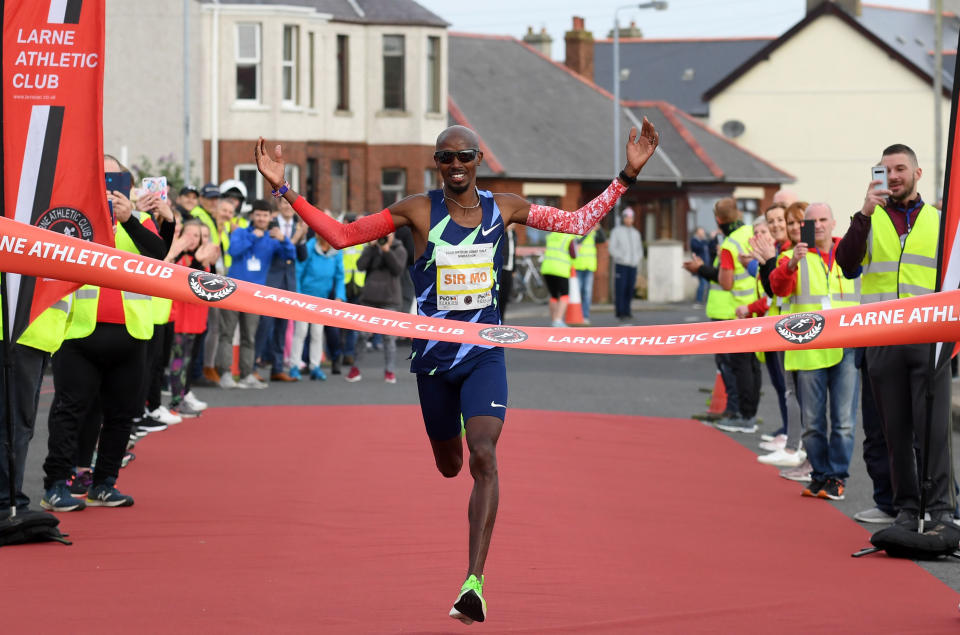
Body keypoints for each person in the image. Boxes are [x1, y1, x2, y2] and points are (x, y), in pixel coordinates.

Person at [255, 118, 660, 624]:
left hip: (485, 352)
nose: (454, 166)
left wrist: (627, 174)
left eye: (463, 156)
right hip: (433, 360)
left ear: (477, 161)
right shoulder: (417, 209)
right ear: (436, 163)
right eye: (444, 158)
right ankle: (456, 462)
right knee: (450, 465)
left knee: (484, 455)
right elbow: (341, 236)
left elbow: (576, 223)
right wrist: (285, 188)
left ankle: (473, 583)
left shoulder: (504, 207)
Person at [836, 144, 955, 528]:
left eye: (901, 168)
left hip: (928, 339)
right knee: (896, 433)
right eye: (886, 170)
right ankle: (905, 509)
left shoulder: (941, 221)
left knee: (934, 431)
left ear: (917, 174)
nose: (894, 176)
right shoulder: (868, 219)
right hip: (882, 339)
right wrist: (865, 213)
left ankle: (939, 511)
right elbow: (847, 264)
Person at [41, 154, 166, 511]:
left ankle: (104, 483)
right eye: (103, 181)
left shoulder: (140, 220)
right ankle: (56, 485)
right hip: (79, 333)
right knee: (69, 411)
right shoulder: (74, 220)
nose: (110, 189)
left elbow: (158, 256)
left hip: (131, 334)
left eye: (117, 182)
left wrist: (128, 220)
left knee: (121, 414)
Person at [770, 203, 860, 501]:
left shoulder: (849, 253)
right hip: (809, 347)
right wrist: (792, 264)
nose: (818, 225)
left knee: (844, 421)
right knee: (813, 422)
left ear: (833, 223)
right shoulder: (791, 256)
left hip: (846, 344)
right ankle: (819, 473)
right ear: (803, 226)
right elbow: (779, 289)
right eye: (812, 221)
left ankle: (836, 477)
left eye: (823, 219)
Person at [682, 198, 758, 432]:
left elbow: (726, 282)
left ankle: (738, 413)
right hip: (753, 308)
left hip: (729, 311)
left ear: (718, 220)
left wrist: (700, 269)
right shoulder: (750, 232)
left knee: (733, 366)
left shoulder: (729, 245)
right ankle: (748, 413)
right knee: (751, 366)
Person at [216, 199, 296, 390]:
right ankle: (225, 374)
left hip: (255, 295)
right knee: (227, 334)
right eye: (258, 215)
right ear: (252, 216)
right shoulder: (241, 232)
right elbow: (232, 250)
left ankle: (246, 374)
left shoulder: (272, 239)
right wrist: (253, 237)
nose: (261, 218)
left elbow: (290, 256)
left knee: (249, 336)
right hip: (233, 290)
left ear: (270, 217)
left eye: (265, 215)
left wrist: (284, 239)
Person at [256, 197, 308, 382]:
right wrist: (293, 239)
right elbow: (279, 251)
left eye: (290, 204)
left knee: (282, 327)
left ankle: (277, 368)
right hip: (271, 280)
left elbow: (301, 257)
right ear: (279, 206)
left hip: (289, 282)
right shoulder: (271, 224)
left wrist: (300, 239)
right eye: (285, 204)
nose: (288, 207)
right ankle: (254, 365)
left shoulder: (300, 227)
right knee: (264, 326)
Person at [346, 233, 407, 382]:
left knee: (388, 338)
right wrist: (371, 248)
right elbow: (360, 266)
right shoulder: (371, 248)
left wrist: (386, 251)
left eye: (388, 235)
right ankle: (355, 369)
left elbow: (398, 270)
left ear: (393, 235)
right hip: (369, 299)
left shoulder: (399, 249)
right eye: (383, 235)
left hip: (390, 300)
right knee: (362, 335)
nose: (385, 237)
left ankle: (390, 371)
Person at [290, 230, 346, 380]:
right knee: (301, 332)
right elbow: (298, 272)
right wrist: (298, 296)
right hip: (304, 299)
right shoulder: (309, 248)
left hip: (322, 300)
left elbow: (340, 276)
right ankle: (294, 365)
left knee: (317, 333)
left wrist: (340, 296)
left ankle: (315, 366)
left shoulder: (336, 252)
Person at [608, 207, 643, 321]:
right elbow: (612, 248)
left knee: (629, 288)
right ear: (623, 219)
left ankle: (627, 311)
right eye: (627, 218)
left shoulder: (636, 233)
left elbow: (639, 249)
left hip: (632, 265)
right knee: (620, 288)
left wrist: (637, 259)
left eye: (631, 218)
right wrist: (621, 257)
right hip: (621, 265)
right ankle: (620, 312)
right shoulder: (616, 232)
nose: (629, 220)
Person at [539, 231, 575, 327]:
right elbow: (573, 254)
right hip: (560, 268)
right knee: (565, 295)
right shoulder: (568, 236)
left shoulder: (551, 235)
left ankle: (554, 320)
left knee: (554, 296)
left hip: (547, 268)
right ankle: (558, 320)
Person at [572, 226, 605, 324]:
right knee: (577, 293)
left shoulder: (594, 232)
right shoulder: (576, 231)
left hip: (589, 266)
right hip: (579, 266)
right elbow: (577, 242)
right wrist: (589, 231)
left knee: (587, 293)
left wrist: (599, 228)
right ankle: (577, 315)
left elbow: (602, 239)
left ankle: (585, 316)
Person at [689, 226, 710, 304]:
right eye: (701, 232)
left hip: (706, 265)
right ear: (697, 233)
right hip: (699, 265)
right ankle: (698, 300)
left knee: (706, 283)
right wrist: (703, 241)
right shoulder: (694, 241)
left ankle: (704, 300)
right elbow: (697, 247)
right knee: (703, 283)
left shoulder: (704, 241)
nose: (703, 234)